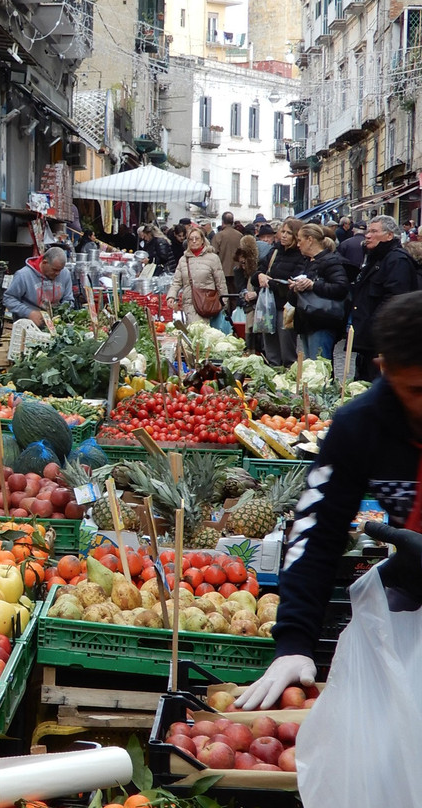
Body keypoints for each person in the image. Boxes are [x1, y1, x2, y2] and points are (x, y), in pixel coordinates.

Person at [237, 290, 422, 710]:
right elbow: (316, 531)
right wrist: (295, 641)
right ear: (385, 370)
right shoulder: (360, 425)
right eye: (416, 389)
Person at [350, 215, 419, 382]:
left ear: (389, 236)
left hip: (382, 341)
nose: (367, 235)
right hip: (369, 340)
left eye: (374, 231)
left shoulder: (397, 260)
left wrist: (377, 329)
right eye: (368, 231)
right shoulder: (376, 258)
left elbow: (395, 301)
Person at [248, 218, 305, 366]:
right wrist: (260, 276)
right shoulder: (275, 251)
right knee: (270, 348)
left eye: (289, 233)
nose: (284, 235)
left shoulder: (300, 255)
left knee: (287, 349)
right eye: (283, 231)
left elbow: (293, 283)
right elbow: (257, 273)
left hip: (286, 308)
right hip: (268, 306)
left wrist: (270, 282)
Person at [289, 223, 350, 361]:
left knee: (320, 367)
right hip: (307, 320)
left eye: (300, 240)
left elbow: (341, 288)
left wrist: (313, 285)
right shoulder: (307, 262)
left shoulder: (331, 261)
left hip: (322, 320)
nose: (297, 244)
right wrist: (295, 288)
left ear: (310, 240)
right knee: (311, 367)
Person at [166, 229, 228, 325]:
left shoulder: (213, 258)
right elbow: (177, 282)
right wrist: (171, 296)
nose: (194, 241)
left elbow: (220, 282)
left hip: (208, 303)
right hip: (189, 303)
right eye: (191, 239)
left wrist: (224, 302)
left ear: (202, 240)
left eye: (197, 238)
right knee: (195, 331)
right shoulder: (183, 260)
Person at [3, 246, 73, 326]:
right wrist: (29, 313)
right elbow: (8, 298)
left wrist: (62, 312)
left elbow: (68, 299)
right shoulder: (23, 275)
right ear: (44, 262)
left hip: (56, 325)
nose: (58, 273)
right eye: (54, 270)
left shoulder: (65, 273)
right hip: (28, 325)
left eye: (60, 270)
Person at [211, 212, 243, 294]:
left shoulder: (218, 236)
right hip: (238, 271)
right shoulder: (240, 236)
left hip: (222, 272)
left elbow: (213, 254)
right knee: (236, 296)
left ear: (222, 222)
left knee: (224, 296)